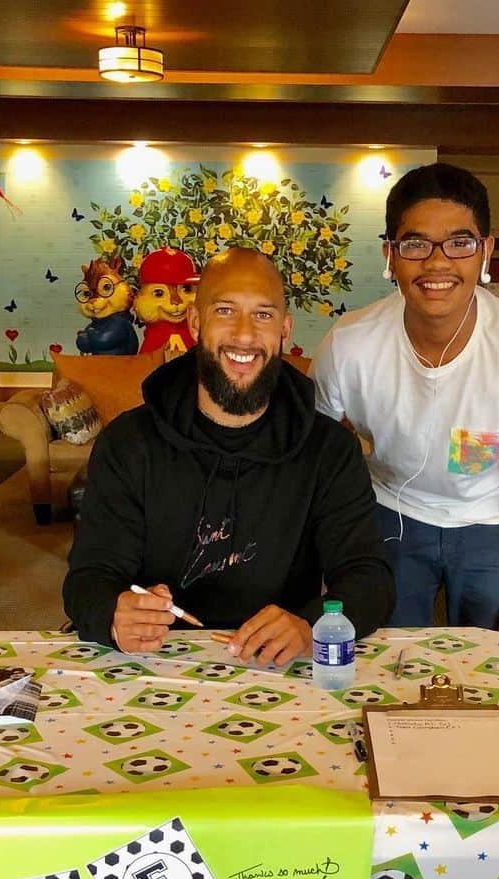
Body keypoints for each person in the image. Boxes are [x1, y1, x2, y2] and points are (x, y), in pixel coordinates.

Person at [63, 248, 394, 666]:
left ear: (284, 330)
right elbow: (88, 578)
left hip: (279, 664)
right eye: (225, 311)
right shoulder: (129, 442)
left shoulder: (329, 449)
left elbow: (370, 579)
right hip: (156, 661)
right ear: (196, 322)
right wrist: (113, 615)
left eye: (263, 315)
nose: (244, 334)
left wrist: (309, 626)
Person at [310, 162, 499, 666]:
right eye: (415, 244)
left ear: (486, 251)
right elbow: (316, 453)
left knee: (498, 670)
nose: (437, 263)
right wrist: (325, 560)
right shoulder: (349, 345)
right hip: (390, 510)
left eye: (460, 243)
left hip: (493, 516)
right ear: (390, 254)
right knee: (383, 662)